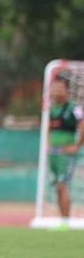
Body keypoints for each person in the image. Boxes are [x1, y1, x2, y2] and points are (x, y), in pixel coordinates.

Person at [46, 73, 83, 225]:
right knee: (57, 188)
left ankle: (66, 220)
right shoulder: (51, 109)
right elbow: (48, 130)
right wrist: (48, 145)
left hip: (66, 154)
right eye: (54, 87)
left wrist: (76, 146)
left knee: (63, 186)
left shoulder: (75, 109)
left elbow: (82, 128)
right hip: (53, 153)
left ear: (67, 90)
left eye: (60, 88)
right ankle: (63, 220)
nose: (56, 91)